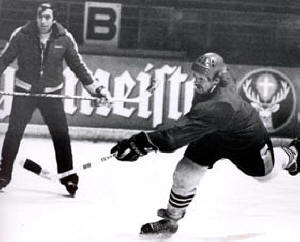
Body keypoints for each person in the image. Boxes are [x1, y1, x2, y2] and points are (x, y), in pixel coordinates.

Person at [110, 52, 300, 236]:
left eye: (202, 78)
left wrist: (139, 143)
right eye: (195, 76)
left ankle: (293, 153)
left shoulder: (220, 105)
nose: (196, 82)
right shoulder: (219, 77)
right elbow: (217, 67)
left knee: (265, 175)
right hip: (213, 135)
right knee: (184, 172)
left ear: (216, 81)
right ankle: (171, 220)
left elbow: (172, 139)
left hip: (245, 139)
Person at [0, 3, 110, 195]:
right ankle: (3, 175)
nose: (43, 21)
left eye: (47, 17)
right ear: (36, 16)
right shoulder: (21, 34)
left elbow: (79, 67)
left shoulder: (64, 38)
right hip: (25, 92)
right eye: (40, 16)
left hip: (51, 94)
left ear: (54, 19)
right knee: (14, 132)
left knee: (61, 135)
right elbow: (4, 59)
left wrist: (97, 90)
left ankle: (69, 179)